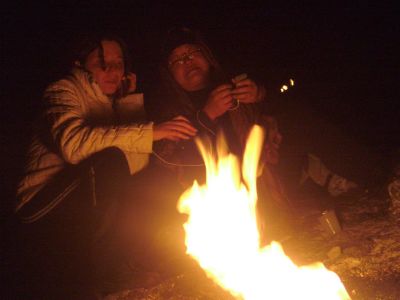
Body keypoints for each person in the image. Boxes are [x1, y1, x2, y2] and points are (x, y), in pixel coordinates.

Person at [12, 33, 197, 299]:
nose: (112, 70)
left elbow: (137, 165)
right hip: (41, 204)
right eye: (101, 62)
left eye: (118, 63)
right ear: (80, 65)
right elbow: (74, 146)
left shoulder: (110, 105)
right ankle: (92, 279)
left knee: (149, 177)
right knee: (110, 161)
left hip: (80, 203)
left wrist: (128, 102)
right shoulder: (63, 89)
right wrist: (152, 131)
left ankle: (120, 269)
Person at [146, 27, 293, 247]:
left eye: (192, 53)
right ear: (169, 74)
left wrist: (260, 93)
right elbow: (167, 161)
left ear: (206, 55)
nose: (187, 62)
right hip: (209, 202)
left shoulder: (234, 86)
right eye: (176, 61)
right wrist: (206, 116)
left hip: (260, 188)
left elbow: (285, 108)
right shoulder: (167, 110)